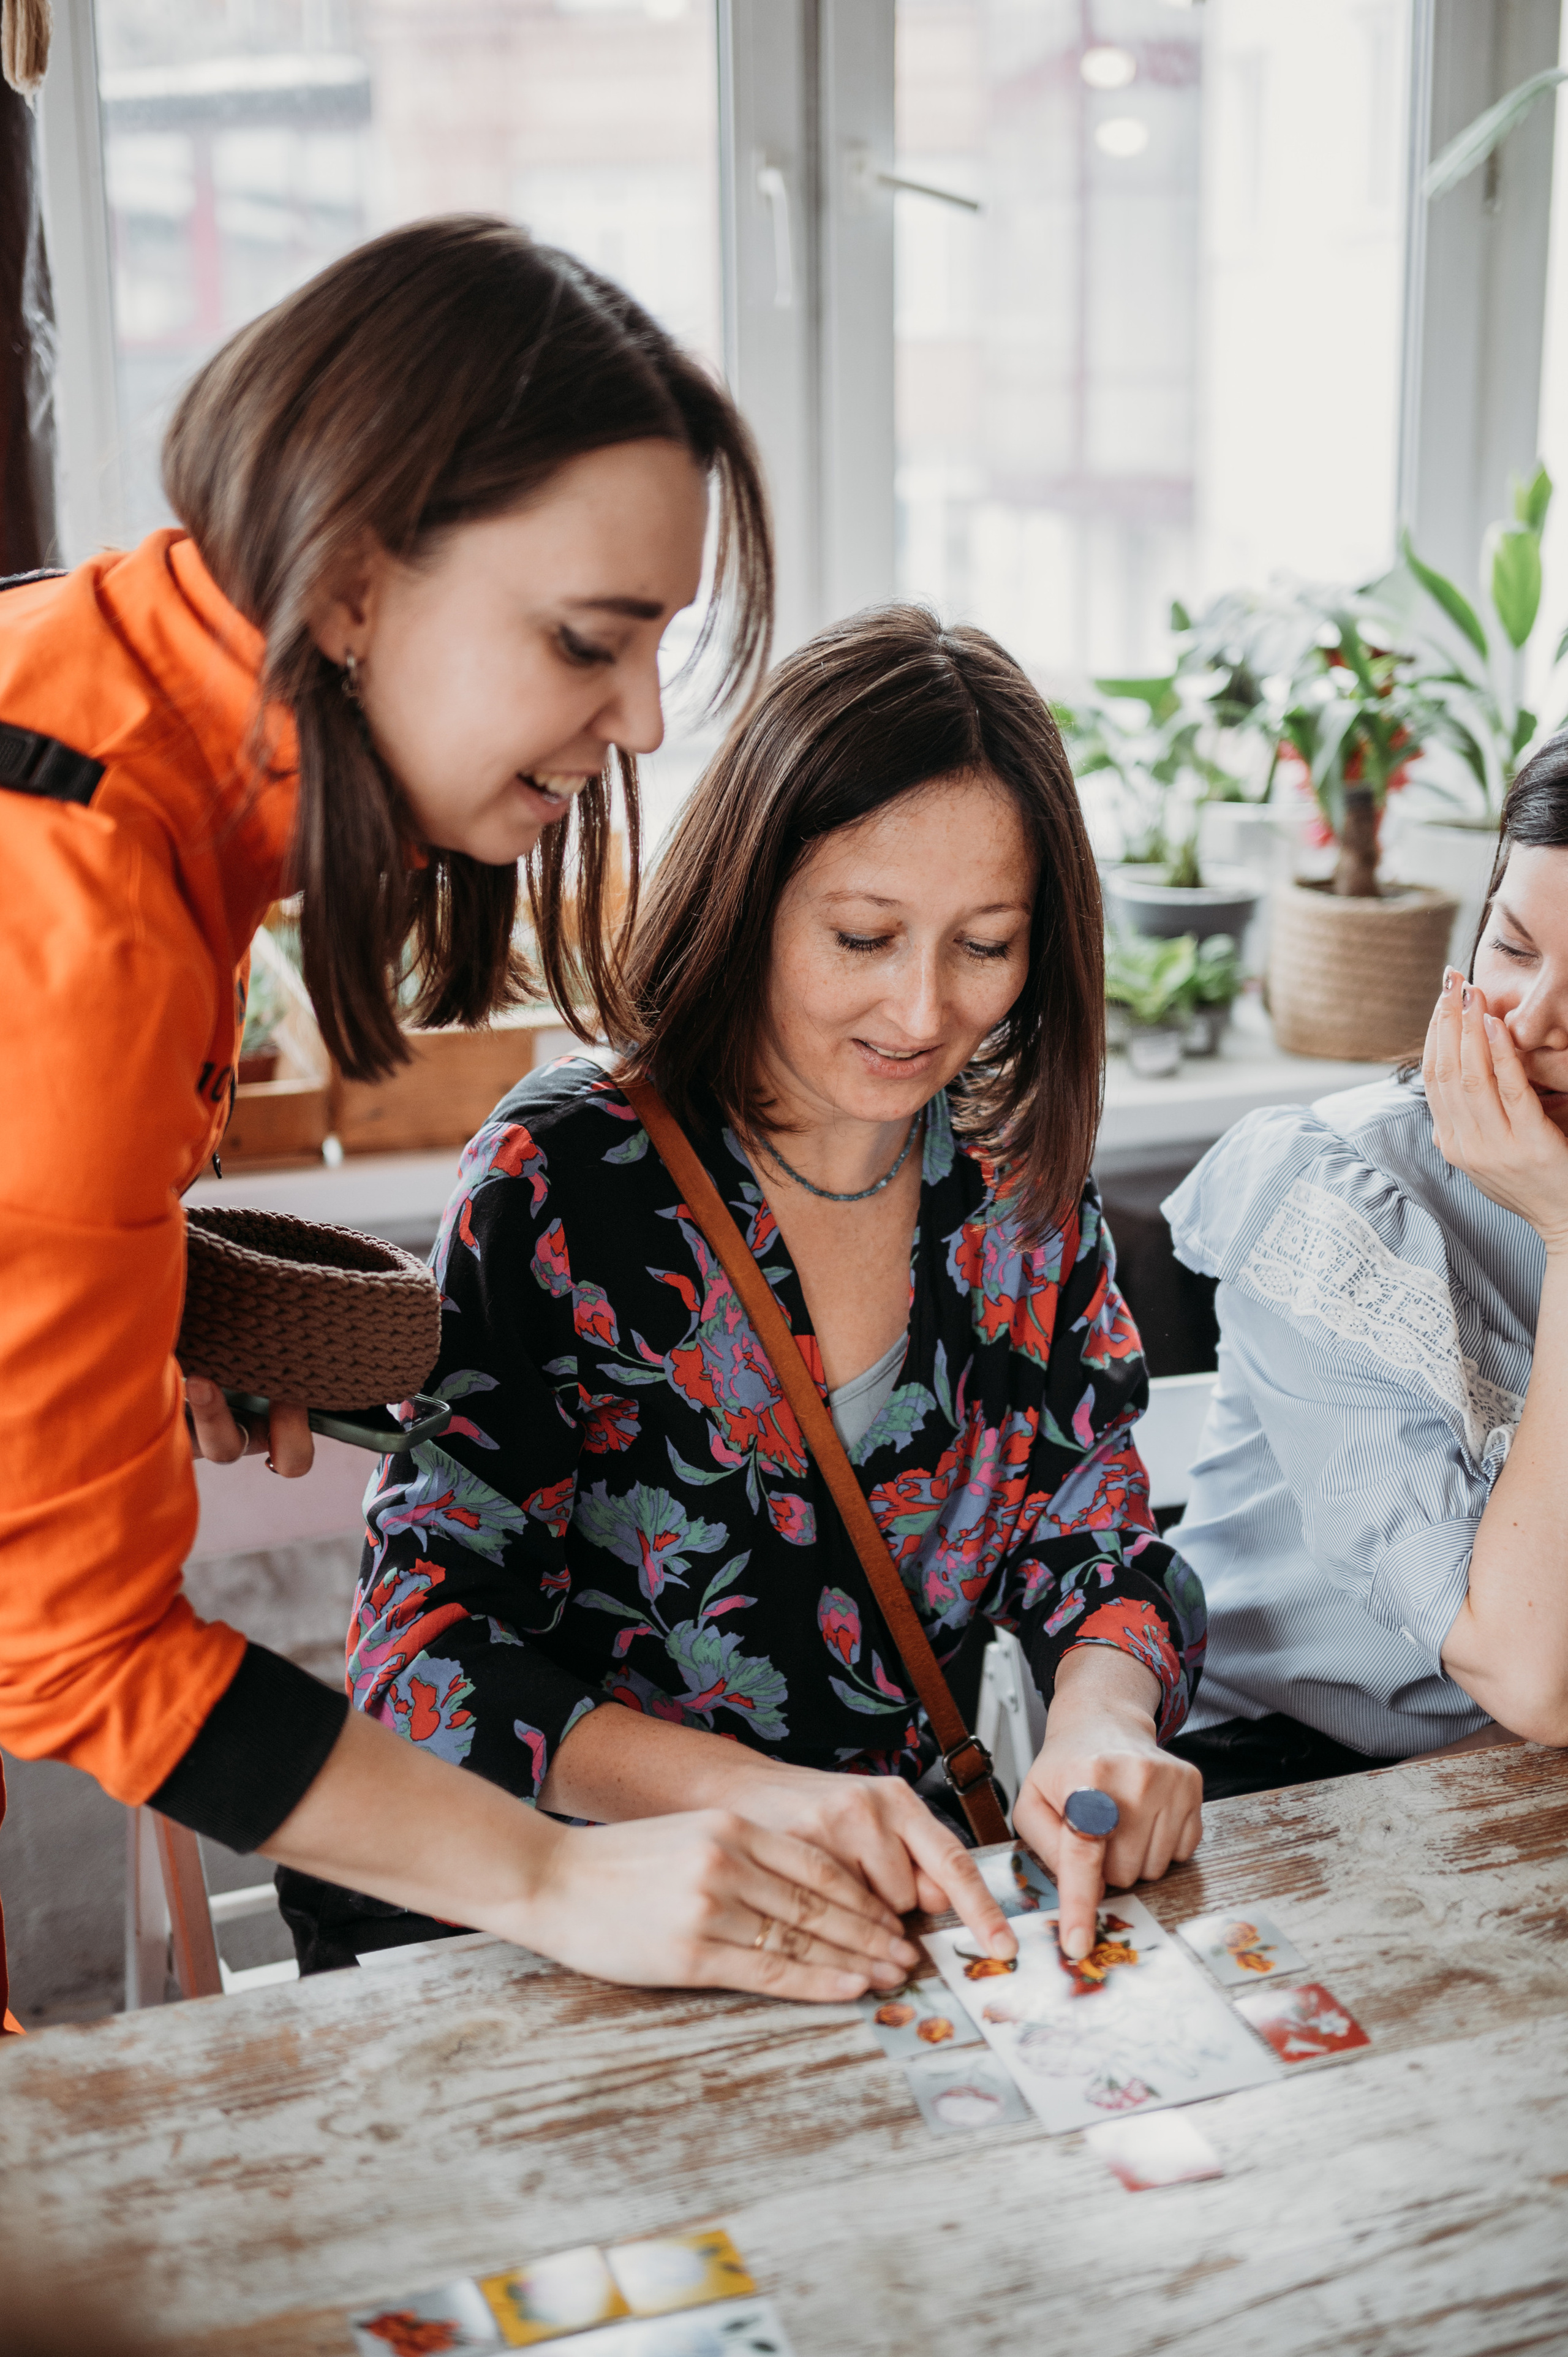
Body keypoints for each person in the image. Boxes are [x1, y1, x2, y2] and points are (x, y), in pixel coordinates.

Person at [0, 217, 929, 2030]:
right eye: (593, 642)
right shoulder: (79, 879)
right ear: (351, 583)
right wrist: (553, 1876)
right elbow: (76, 1653)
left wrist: (131, 1290)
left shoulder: (97, 689)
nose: (646, 719)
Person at [288, 605, 1208, 1977]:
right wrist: (756, 1796)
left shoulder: (1016, 1181)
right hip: (593, 1924)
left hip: (899, 1929)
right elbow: (426, 1652)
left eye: (984, 943)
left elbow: (1096, 1535)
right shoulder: (564, 1180)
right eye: (860, 936)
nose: (920, 1011)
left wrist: (1102, 1723)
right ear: (750, 895)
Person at [1161, 735, 1568, 1800]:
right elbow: (1534, 1675)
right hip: (1286, 1788)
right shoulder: (1329, 1194)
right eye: (1514, 948)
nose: (1531, 1026)